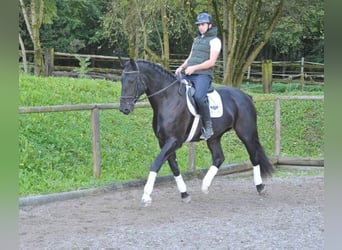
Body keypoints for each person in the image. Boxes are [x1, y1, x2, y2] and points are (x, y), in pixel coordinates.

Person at [175, 12, 221, 140]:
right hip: (189, 72)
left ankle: (208, 126)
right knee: (176, 90)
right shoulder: (196, 40)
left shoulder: (215, 41)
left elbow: (211, 62)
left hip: (203, 75)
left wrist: (194, 68)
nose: (200, 27)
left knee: (199, 97)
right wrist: (182, 67)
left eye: (203, 24)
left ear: (209, 25)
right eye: (199, 25)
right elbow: (191, 58)